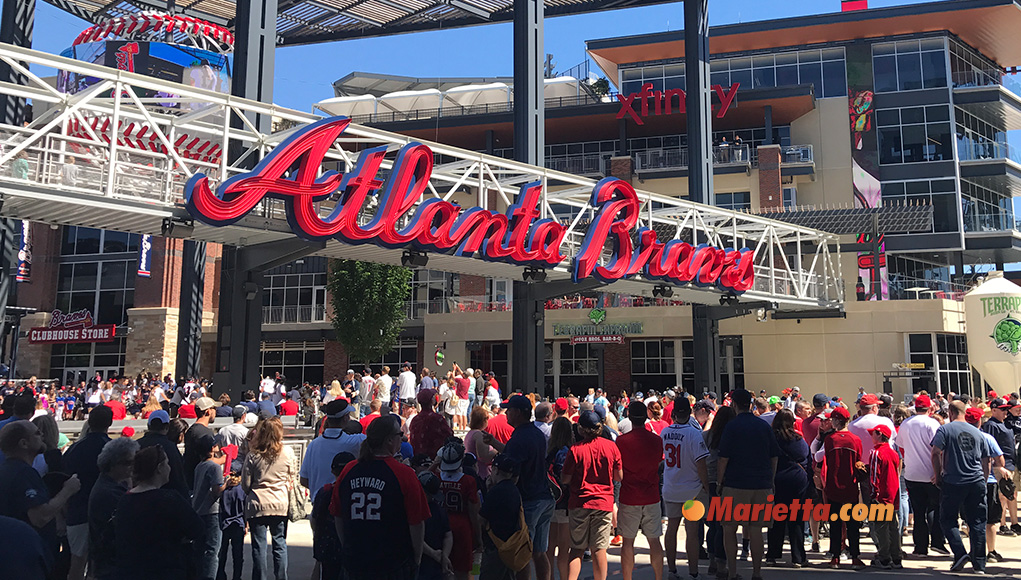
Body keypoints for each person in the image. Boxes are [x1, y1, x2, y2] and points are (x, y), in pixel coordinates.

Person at [331, 416, 431, 580]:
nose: (402, 438)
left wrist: (347, 547)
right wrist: (417, 557)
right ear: (390, 440)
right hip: (391, 564)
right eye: (399, 434)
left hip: (355, 561)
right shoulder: (404, 474)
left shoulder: (349, 470)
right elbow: (417, 522)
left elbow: (337, 514)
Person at [483, 394, 554, 580]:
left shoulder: (520, 437)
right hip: (545, 497)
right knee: (539, 551)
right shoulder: (534, 433)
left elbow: (511, 470)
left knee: (522, 553)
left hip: (529, 500)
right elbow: (514, 452)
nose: (506, 414)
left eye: (509, 410)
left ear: (517, 413)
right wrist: (494, 443)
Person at [717, 389, 780, 580]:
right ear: (751, 404)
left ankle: (733, 572)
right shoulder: (763, 426)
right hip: (761, 484)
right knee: (756, 530)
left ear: (734, 404)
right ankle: (757, 572)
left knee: (729, 528)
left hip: (735, 484)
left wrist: (720, 482)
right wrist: (771, 479)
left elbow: (723, 458)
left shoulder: (732, 427)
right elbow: (774, 456)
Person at [114, 445, 203, 579]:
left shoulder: (125, 500)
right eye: (167, 463)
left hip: (133, 570)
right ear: (160, 468)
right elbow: (198, 529)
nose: (169, 468)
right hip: (166, 568)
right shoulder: (169, 498)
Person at [0, 420, 81, 564]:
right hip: (25, 555)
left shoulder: (8, 469)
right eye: (37, 433)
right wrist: (68, 490)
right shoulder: (23, 473)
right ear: (24, 443)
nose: (42, 435)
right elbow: (40, 517)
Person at [931, 400, 994, 573]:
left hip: (953, 481)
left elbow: (936, 452)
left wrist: (938, 475)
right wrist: (984, 479)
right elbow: (987, 459)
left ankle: (960, 553)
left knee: (948, 519)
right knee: (977, 522)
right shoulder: (977, 432)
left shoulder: (945, 430)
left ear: (950, 412)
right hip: (977, 481)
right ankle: (979, 564)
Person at [562, 410, 622, 580]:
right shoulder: (611, 447)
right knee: (599, 549)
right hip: (603, 503)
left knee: (577, 548)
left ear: (581, 429)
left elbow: (565, 478)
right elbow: (618, 476)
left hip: (580, 501)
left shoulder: (575, 449)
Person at [62, 403, 114, 580]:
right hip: (102, 514)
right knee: (96, 565)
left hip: (76, 511)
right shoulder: (111, 448)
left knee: (76, 564)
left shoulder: (74, 448)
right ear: (110, 422)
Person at [242, 417, 296, 580]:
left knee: (259, 547)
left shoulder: (253, 455)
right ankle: (281, 577)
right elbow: (292, 477)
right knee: (280, 544)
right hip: (280, 502)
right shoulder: (288, 452)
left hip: (258, 503)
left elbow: (246, 483)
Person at [661, 397, 709, 580]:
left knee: (671, 529)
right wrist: (706, 485)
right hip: (692, 490)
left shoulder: (664, 432)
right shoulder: (694, 434)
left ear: (672, 414)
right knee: (692, 532)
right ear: (689, 413)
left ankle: (672, 570)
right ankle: (693, 572)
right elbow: (701, 464)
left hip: (672, 487)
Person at [812, 406, 865, 569]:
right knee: (853, 524)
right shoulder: (855, 440)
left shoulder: (830, 440)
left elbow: (819, 455)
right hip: (850, 485)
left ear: (835, 421)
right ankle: (855, 557)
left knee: (835, 523)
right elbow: (859, 459)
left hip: (833, 486)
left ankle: (835, 557)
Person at [616, 401, 664, 580]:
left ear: (629, 416)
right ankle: (659, 577)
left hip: (629, 495)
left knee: (627, 542)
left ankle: (627, 578)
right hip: (651, 495)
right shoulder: (656, 440)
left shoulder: (621, 441)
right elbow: (659, 461)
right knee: (654, 540)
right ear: (646, 416)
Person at [897, 394, 948, 555]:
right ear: (930, 408)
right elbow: (938, 450)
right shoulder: (932, 424)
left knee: (918, 512)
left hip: (912, 473)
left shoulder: (906, 424)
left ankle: (920, 546)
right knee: (935, 508)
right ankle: (937, 542)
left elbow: (901, 446)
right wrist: (939, 471)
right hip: (930, 473)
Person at [764, 409, 810, 568]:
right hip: (796, 479)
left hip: (776, 479)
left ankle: (772, 554)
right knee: (796, 519)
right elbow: (805, 455)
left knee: (776, 519)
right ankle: (798, 557)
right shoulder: (797, 438)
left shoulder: (770, 438)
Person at [88, 437, 138, 580]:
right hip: (110, 567)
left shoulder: (112, 485)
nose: (133, 467)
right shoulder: (109, 493)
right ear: (113, 464)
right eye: (129, 463)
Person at [300, 399, 365, 501]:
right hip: (343, 505)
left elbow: (304, 480)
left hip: (319, 506)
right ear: (345, 418)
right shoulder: (356, 442)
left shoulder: (313, 445)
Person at [966, 407, 1007, 564]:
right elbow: (1000, 461)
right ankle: (990, 551)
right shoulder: (987, 438)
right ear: (979, 421)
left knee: (971, 518)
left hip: (966, 481)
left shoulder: (959, 437)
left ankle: (974, 549)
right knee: (990, 520)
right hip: (987, 482)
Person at [437, 443, 482, 580]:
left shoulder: (436, 478)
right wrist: (478, 537)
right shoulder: (468, 481)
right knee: (463, 570)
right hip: (462, 527)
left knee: (443, 568)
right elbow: (473, 512)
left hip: (441, 525)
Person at [479, 454, 525, 580]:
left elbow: (481, 519)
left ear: (495, 470)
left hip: (495, 546)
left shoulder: (496, 491)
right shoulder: (514, 490)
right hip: (510, 546)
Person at [310, 452, 354, 580]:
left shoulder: (325, 491)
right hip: (351, 547)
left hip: (328, 548)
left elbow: (315, 519)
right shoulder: (355, 492)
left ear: (333, 471)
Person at [703, 406, 736, 574]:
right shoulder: (732, 436)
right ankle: (722, 564)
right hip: (727, 481)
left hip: (709, 481)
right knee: (725, 525)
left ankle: (712, 561)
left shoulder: (707, 436)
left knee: (714, 523)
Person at [867, 424, 902, 569]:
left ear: (880, 434)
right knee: (893, 527)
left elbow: (875, 477)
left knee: (880, 528)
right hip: (893, 495)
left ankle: (884, 557)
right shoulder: (893, 453)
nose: (871, 437)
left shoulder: (876, 453)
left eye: (873, 434)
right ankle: (896, 557)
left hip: (881, 496)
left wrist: (874, 494)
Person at [981, 398, 1017, 537]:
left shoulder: (1005, 424)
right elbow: (989, 448)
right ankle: (1002, 524)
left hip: (1009, 463)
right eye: (1003, 409)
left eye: (1007, 409)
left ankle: (1013, 523)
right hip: (1000, 465)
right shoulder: (991, 425)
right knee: (1001, 496)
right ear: (994, 410)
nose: (1005, 412)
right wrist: (998, 466)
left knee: (1010, 494)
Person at [194, 438, 228, 580]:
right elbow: (216, 490)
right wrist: (227, 483)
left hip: (198, 509)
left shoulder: (199, 466)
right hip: (212, 511)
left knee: (200, 549)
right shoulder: (214, 468)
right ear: (212, 448)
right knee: (213, 550)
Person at [546, 416, 575, 580]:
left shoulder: (550, 452)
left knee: (549, 548)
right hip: (565, 503)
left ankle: (549, 577)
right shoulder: (567, 452)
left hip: (551, 501)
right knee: (564, 550)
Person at [137, 410, 189, 498]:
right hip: (166, 498)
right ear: (167, 427)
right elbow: (178, 478)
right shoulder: (170, 447)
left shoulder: (137, 445)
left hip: (139, 497)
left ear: (148, 425)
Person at [418, 471, 454, 580]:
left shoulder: (438, 509)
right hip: (420, 563)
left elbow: (448, 534)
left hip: (435, 564)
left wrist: (444, 556)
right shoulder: (414, 510)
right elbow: (414, 537)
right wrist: (435, 554)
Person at [185, 397, 221, 489]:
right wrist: (225, 458)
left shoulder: (191, 430)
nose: (216, 412)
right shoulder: (205, 433)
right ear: (208, 411)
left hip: (190, 479)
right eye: (214, 409)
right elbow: (209, 460)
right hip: (201, 483)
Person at [217, 470, 247, 580]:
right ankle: (237, 577)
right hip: (238, 524)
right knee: (238, 554)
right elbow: (244, 510)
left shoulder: (224, 491)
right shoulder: (242, 491)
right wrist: (246, 524)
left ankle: (220, 575)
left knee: (222, 552)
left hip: (225, 524)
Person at [409, 388, 453, 458]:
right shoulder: (437, 419)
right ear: (431, 401)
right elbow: (449, 434)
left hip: (418, 459)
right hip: (435, 459)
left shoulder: (415, 420)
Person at [465, 406, 498, 479]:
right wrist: (496, 450)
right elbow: (484, 457)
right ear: (484, 420)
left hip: (475, 472)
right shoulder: (479, 435)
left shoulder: (470, 433)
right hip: (482, 474)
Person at [217, 406, 251, 474]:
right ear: (243, 416)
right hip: (240, 463)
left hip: (226, 463)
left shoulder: (222, 430)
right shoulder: (245, 431)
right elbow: (247, 450)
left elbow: (218, 448)